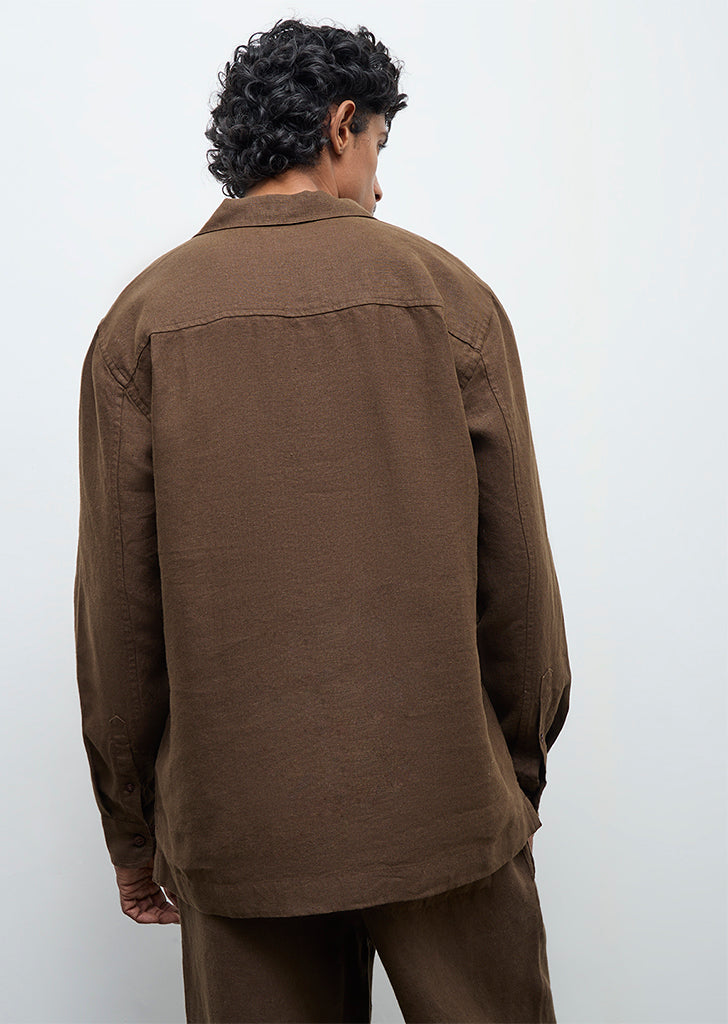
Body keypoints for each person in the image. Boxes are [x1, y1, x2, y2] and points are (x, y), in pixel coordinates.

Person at [74, 17, 571, 1024]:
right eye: (378, 146)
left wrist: (134, 828)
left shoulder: (141, 325)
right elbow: (519, 576)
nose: (379, 186)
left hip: (240, 829)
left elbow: (118, 616)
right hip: (444, 803)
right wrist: (510, 774)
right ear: (341, 126)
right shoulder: (448, 297)